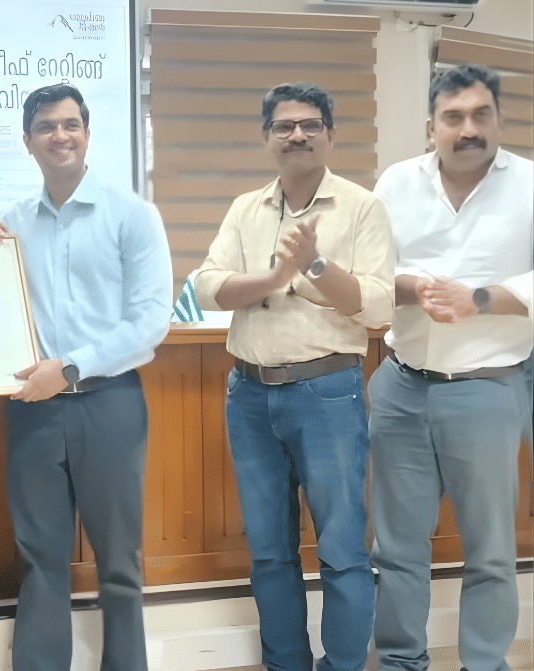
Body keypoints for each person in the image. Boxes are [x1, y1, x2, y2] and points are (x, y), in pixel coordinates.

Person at [0, 83, 173, 671]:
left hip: (108, 402)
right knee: (40, 556)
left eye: (70, 124)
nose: (59, 136)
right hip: (33, 407)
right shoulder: (11, 224)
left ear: (86, 134)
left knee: (118, 561)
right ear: (27, 140)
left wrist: (73, 366)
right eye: (46, 127)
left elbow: (150, 321)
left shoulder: (131, 213)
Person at [193, 82, 394, 671]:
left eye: (310, 124)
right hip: (249, 393)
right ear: (267, 138)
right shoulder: (244, 208)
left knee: (341, 549)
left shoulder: (361, 207)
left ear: (330, 134)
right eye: (284, 126)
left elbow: (378, 308)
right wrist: (278, 276)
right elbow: (208, 286)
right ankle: (285, 663)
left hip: (327, 393)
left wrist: (311, 268)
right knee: (270, 552)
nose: (297, 135)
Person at [369, 63, 532, 671]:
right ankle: (401, 662)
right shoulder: (396, 182)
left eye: (480, 114)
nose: (469, 128)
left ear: (498, 118)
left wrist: (478, 299)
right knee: (398, 549)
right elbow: (366, 270)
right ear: (430, 126)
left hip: (489, 390)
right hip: (402, 385)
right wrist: (413, 288)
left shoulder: (530, 184)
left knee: (490, 549)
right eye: (454, 117)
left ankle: (484, 664)